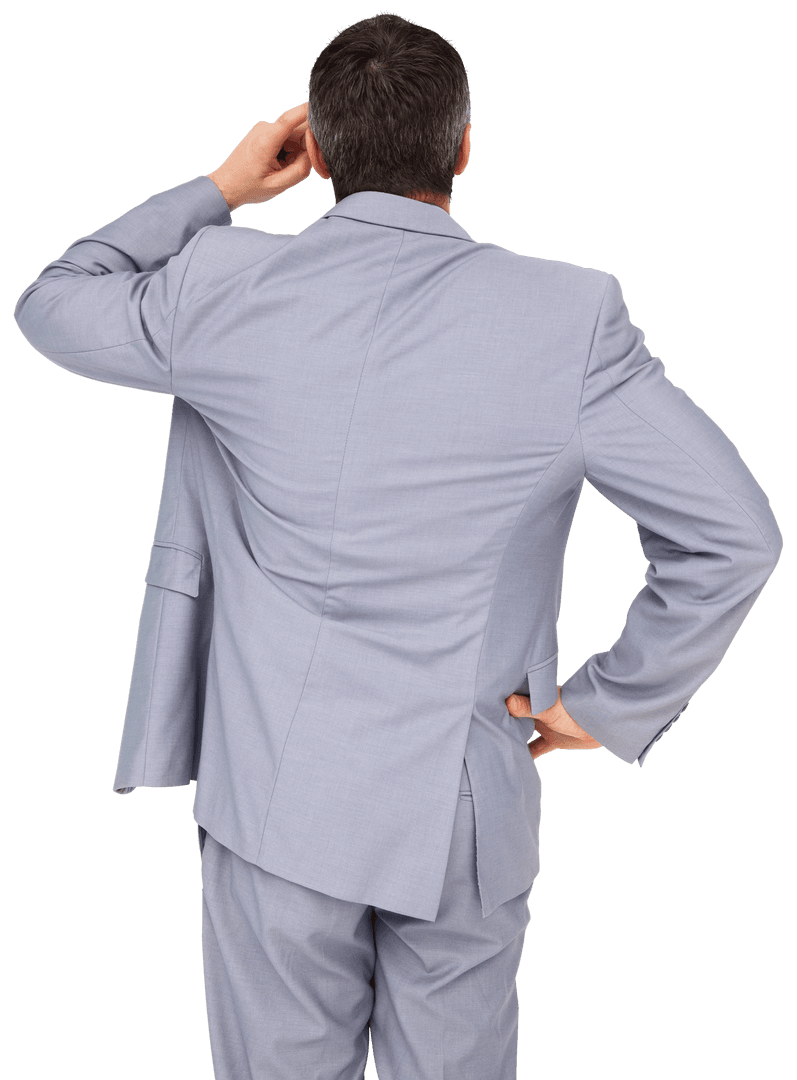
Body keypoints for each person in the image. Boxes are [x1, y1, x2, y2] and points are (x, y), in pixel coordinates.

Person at [12, 12, 782, 1080]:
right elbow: (734, 537)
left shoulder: (219, 285)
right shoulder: (570, 316)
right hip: (466, 800)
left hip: (272, 797)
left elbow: (51, 302)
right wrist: (605, 704)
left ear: (315, 152)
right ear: (462, 148)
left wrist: (220, 188)